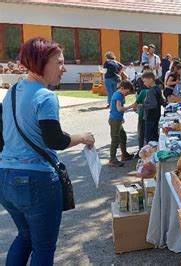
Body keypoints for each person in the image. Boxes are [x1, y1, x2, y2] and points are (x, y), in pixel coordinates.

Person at [0, 37, 95, 265]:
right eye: (59, 62)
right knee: (43, 247)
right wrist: (83, 137)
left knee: (25, 237)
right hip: (36, 181)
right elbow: (55, 140)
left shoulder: (11, 93)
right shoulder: (46, 96)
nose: (64, 68)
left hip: (4, 177)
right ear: (41, 63)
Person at [108, 80, 136, 167]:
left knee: (123, 136)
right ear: (122, 88)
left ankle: (124, 154)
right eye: (127, 92)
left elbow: (117, 109)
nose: (127, 94)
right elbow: (119, 108)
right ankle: (112, 159)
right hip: (115, 120)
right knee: (115, 139)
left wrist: (121, 118)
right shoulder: (118, 95)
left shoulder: (120, 94)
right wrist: (131, 106)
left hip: (118, 119)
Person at [135, 72, 156, 152]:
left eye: (145, 81)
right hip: (151, 117)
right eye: (143, 82)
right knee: (148, 135)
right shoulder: (155, 90)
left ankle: (143, 151)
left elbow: (137, 104)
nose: (144, 83)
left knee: (142, 134)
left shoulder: (144, 92)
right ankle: (145, 151)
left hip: (144, 116)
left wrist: (140, 106)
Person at [143, 73, 165, 143]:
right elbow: (161, 101)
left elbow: (153, 104)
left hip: (150, 116)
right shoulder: (157, 88)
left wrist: (142, 106)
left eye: (145, 81)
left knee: (149, 137)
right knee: (155, 135)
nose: (144, 83)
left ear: (151, 80)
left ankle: (149, 152)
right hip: (156, 115)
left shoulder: (151, 91)